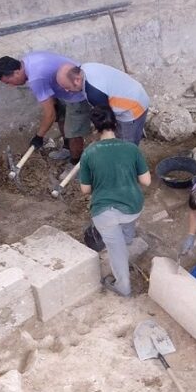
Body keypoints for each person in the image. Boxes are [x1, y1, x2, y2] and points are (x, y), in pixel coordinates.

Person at [78, 106, 150, 297]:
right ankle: (126, 242)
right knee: (126, 229)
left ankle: (123, 287)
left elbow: (85, 190)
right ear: (116, 125)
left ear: (95, 128)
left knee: (115, 249)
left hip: (105, 211)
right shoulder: (131, 148)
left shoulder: (89, 153)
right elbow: (146, 181)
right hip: (133, 206)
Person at [0, 53, 91, 163]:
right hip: (64, 90)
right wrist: (53, 103)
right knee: (61, 117)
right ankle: (68, 149)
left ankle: (76, 163)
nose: (11, 85)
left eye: (8, 82)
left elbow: (50, 115)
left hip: (77, 93)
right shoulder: (27, 61)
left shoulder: (35, 78)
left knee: (74, 132)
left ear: (16, 72)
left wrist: (39, 137)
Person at [56, 62, 150, 144]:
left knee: (127, 145)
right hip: (133, 91)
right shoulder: (85, 67)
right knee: (119, 137)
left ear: (77, 80)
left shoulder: (94, 93)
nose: (66, 90)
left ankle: (128, 161)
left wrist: (102, 137)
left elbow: (107, 120)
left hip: (134, 107)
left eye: (67, 87)